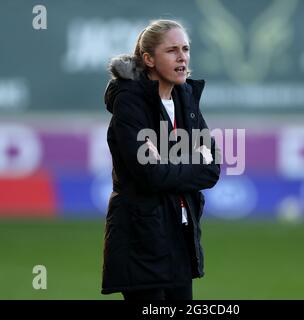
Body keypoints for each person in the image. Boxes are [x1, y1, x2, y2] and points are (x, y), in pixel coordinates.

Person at [101, 19, 221, 300]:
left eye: (186, 48)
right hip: (142, 238)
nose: (182, 57)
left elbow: (211, 168)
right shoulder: (130, 102)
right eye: (172, 50)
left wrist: (169, 164)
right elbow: (150, 174)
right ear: (148, 59)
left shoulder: (186, 99)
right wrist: (188, 162)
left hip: (182, 236)